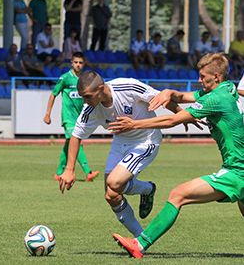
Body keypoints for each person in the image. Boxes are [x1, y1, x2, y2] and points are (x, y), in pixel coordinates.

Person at [109, 53, 244, 258]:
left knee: (178, 194)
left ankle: (140, 244)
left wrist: (134, 124)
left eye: (202, 76)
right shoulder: (227, 88)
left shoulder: (217, 98)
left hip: (237, 172)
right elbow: (184, 97)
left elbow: (173, 121)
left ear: (216, 76)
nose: (199, 81)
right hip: (238, 168)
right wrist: (169, 92)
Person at [58, 71, 184, 237]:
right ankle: (140, 237)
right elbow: (76, 136)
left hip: (146, 140)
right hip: (120, 142)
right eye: (83, 97)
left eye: (88, 96)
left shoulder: (127, 87)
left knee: (114, 182)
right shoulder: (90, 108)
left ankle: (146, 190)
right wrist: (69, 169)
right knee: (111, 195)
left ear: (101, 89)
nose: (85, 101)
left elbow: (161, 98)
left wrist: (184, 115)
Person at [43, 52, 99, 182]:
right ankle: (88, 172)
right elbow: (53, 94)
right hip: (68, 117)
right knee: (77, 142)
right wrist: (47, 114)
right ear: (71, 63)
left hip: (80, 117)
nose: (78, 65)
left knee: (69, 144)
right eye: (76, 62)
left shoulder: (84, 80)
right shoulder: (65, 78)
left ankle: (58, 173)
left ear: (84, 64)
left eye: (80, 63)